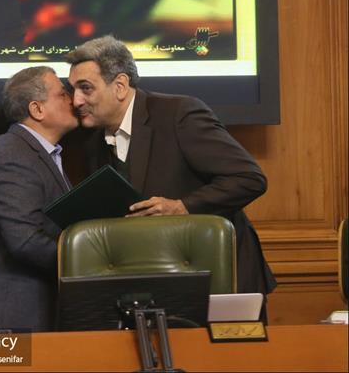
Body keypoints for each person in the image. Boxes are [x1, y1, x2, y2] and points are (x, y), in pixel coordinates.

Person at [65, 35, 277, 298]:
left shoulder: (179, 114)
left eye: (86, 88)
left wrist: (182, 206)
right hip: (158, 286)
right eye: (73, 90)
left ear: (119, 86)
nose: (76, 101)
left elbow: (249, 178)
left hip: (222, 281)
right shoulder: (92, 140)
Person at [0, 66, 78, 333]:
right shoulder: (11, 155)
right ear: (37, 109)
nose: (74, 99)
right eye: (62, 94)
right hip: (7, 320)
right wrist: (91, 258)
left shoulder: (39, 153)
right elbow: (25, 241)